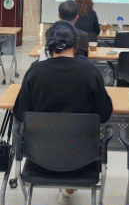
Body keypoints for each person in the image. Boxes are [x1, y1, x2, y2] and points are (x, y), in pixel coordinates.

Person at [13, 20, 113, 205]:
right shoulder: (90, 73)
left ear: (48, 47)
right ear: (75, 45)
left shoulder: (34, 73)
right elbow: (104, 114)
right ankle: (69, 190)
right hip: (83, 157)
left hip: (40, 156)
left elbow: (20, 114)